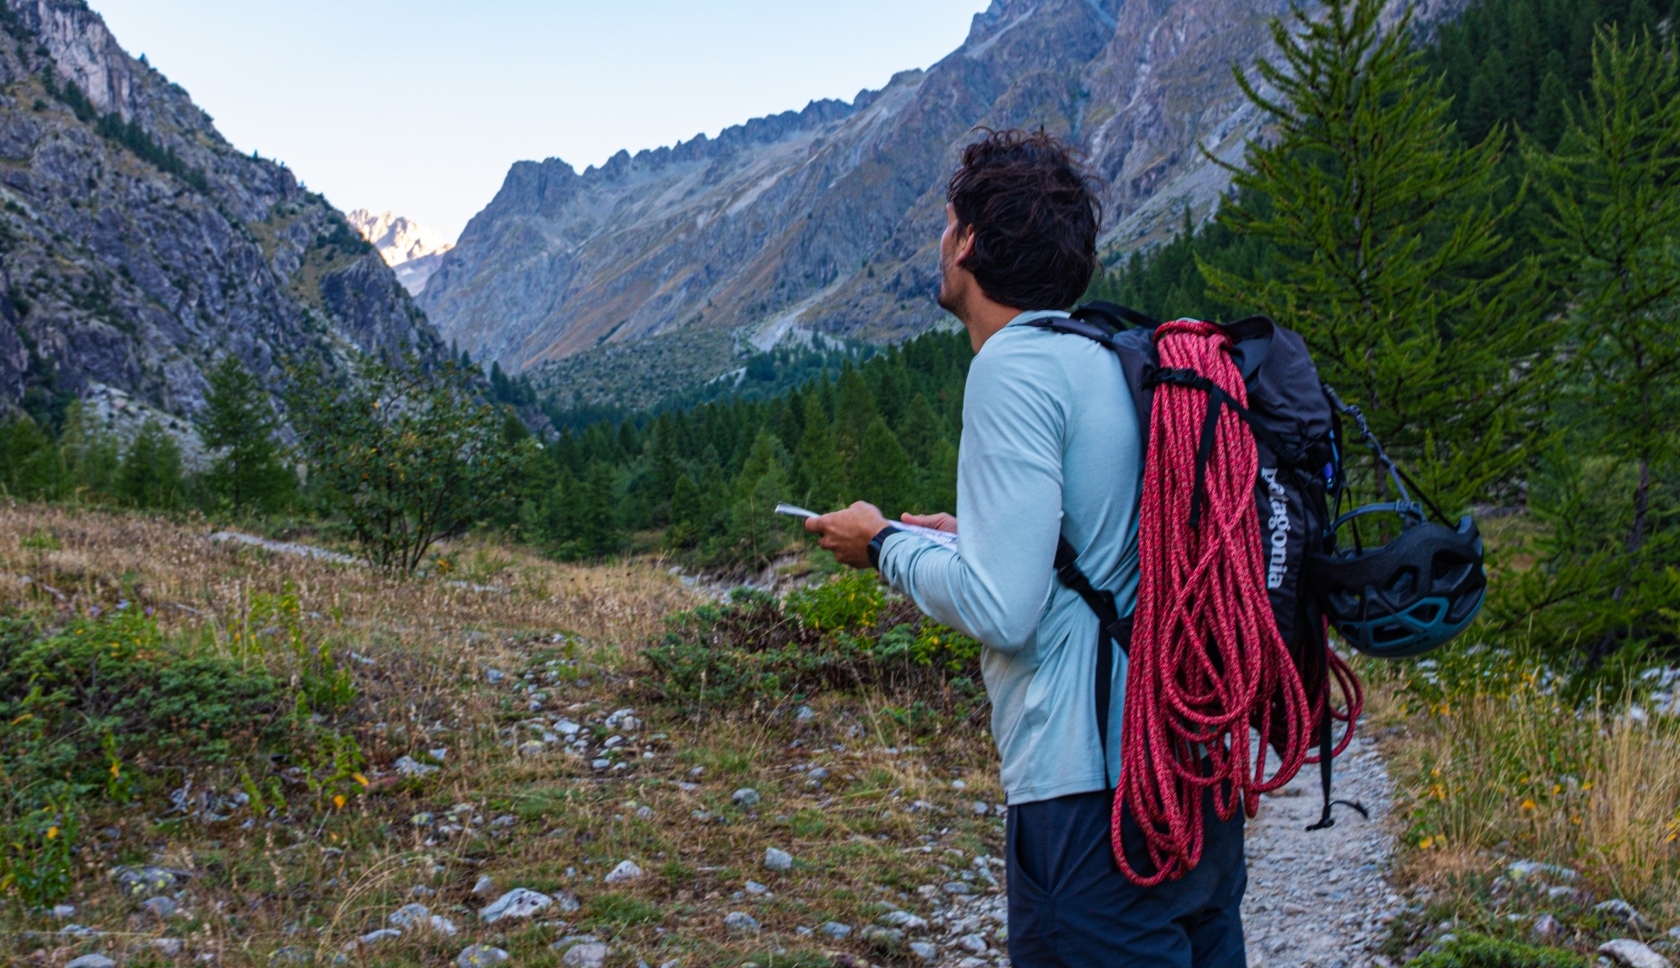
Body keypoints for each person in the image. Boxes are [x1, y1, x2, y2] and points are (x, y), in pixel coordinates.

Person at [803, 129, 1247, 968]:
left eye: (946, 226)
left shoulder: (1011, 367)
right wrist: (955, 538)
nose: (939, 246)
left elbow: (1003, 609)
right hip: (1188, 778)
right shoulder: (1106, 358)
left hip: (1089, 796)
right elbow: (1100, 540)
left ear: (969, 242)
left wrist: (881, 547)